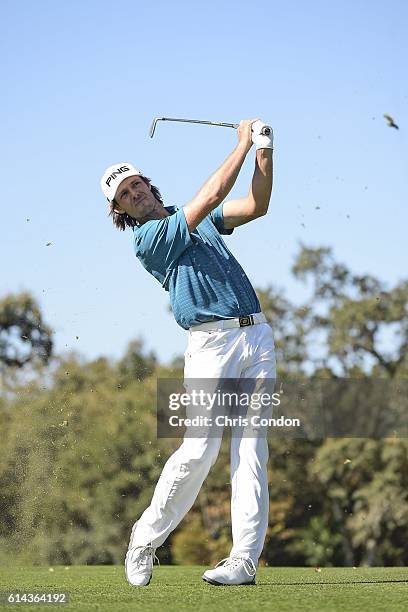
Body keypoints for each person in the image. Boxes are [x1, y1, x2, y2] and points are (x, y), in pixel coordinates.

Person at [100, 119, 276, 586]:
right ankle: (145, 540)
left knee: (251, 451)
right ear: (120, 210)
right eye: (124, 194)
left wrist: (264, 153)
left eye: (136, 183)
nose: (134, 193)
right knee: (200, 449)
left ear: (147, 183)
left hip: (255, 337)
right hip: (210, 344)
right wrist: (240, 141)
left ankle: (244, 560)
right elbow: (213, 195)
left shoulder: (192, 218)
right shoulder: (150, 240)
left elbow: (257, 205)